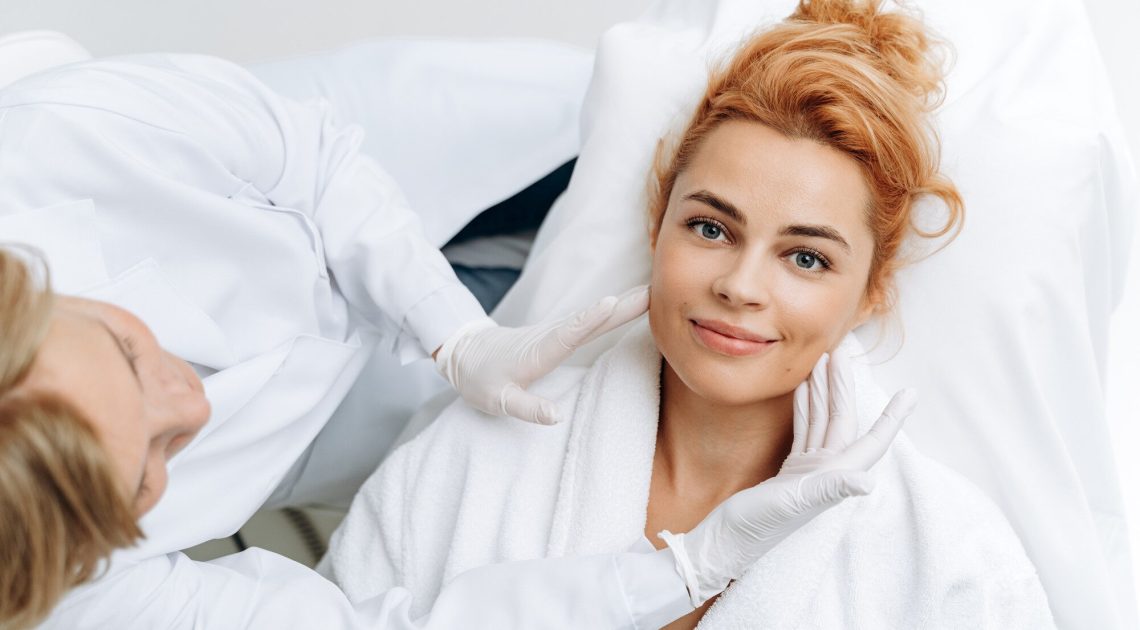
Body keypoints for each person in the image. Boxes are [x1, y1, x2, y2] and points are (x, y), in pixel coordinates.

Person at [0, 51, 886, 629]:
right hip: (341, 418)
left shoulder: (56, 139)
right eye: (157, 464)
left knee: (641, 120)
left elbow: (312, 162)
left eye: (126, 351)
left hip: (344, 187)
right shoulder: (74, 592)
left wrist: (455, 333)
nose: (192, 403)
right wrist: (689, 569)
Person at [322, 1, 1057, 627]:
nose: (740, 285)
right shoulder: (472, 461)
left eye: (806, 258)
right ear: (658, 225)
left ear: (872, 291)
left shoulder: (953, 559)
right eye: (711, 228)